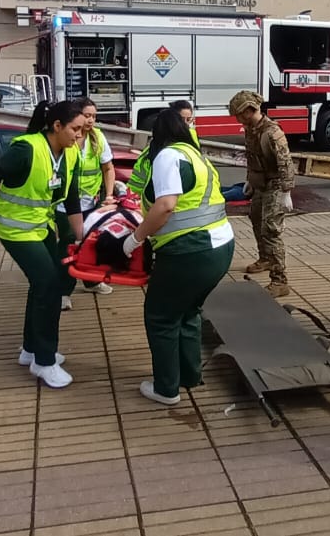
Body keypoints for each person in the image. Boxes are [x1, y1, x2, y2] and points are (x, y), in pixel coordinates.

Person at [0, 100, 86, 388]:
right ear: (57, 126)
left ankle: (31, 349)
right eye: (75, 129)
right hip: (15, 230)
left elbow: (71, 202)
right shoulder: (27, 148)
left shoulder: (71, 155)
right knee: (49, 286)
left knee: (43, 285)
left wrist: (82, 236)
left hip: (42, 227)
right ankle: (44, 362)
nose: (79, 136)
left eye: (82, 130)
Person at [124, 109, 235, 405]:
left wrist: (134, 239)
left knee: (161, 317)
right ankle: (188, 375)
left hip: (191, 251)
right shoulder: (196, 154)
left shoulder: (167, 156)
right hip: (220, 246)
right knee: (188, 311)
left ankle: (166, 389)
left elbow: (165, 206)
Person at [229, 91, 295, 298]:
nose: (238, 119)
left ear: (250, 110)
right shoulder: (251, 129)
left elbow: (285, 163)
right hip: (260, 183)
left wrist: (287, 192)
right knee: (256, 217)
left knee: (271, 229)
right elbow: (252, 157)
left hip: (275, 184)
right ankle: (266, 258)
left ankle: (280, 280)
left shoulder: (272, 132)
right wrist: (250, 179)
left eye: (240, 114)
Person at [57, 97, 116, 305]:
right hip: (65, 205)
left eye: (94, 116)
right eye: (87, 115)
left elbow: (108, 169)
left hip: (90, 203)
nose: (91, 120)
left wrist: (109, 196)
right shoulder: (67, 137)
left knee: (90, 245)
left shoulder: (98, 137)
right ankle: (63, 291)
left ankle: (91, 281)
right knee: (69, 245)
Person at [128, 100, 198, 198]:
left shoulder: (190, 136)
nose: (185, 124)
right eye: (181, 119)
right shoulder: (158, 151)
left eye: (189, 119)